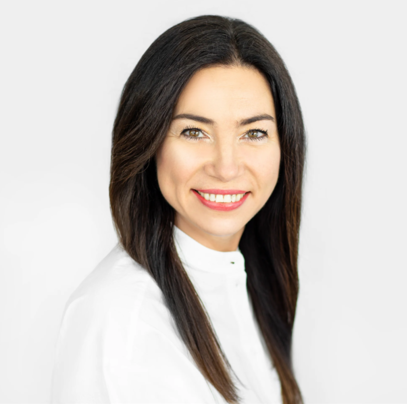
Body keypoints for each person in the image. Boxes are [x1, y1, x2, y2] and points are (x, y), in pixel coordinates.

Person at [51, 14, 306, 404]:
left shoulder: (251, 285)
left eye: (254, 132)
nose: (226, 167)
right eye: (194, 132)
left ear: (284, 145)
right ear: (149, 140)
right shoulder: (119, 319)